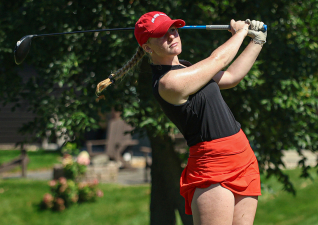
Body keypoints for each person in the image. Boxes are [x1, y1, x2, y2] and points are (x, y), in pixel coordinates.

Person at [97, 11, 266, 225]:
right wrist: (241, 33)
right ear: (147, 47)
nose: (171, 36)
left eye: (173, 30)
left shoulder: (186, 67)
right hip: (213, 165)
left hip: (243, 155)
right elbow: (218, 59)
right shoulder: (168, 83)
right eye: (161, 35)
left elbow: (230, 77)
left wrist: (257, 40)